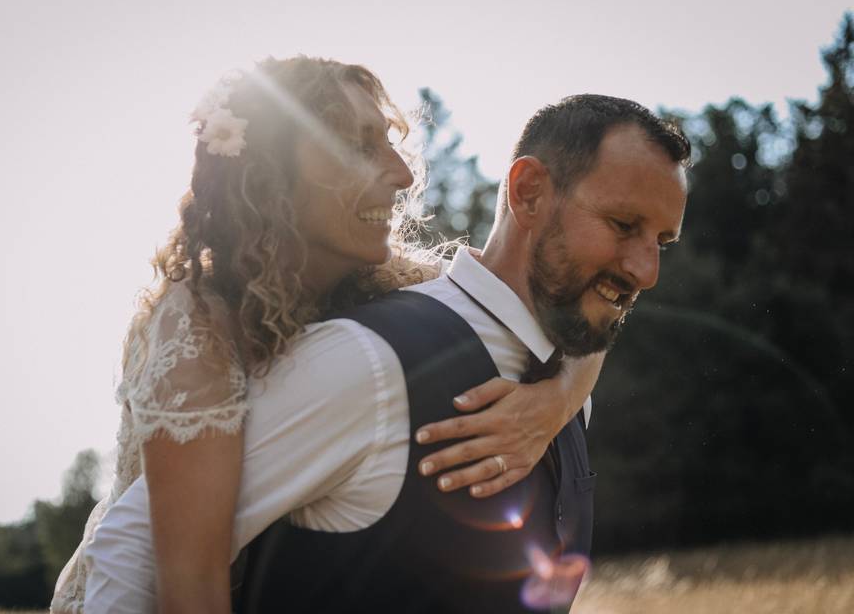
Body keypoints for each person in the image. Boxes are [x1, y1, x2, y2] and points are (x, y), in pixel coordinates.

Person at [83, 93, 691, 613]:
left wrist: (563, 395)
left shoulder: (564, 393)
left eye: (662, 241)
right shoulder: (365, 360)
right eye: (622, 225)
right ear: (529, 193)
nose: (647, 270)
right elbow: (132, 547)